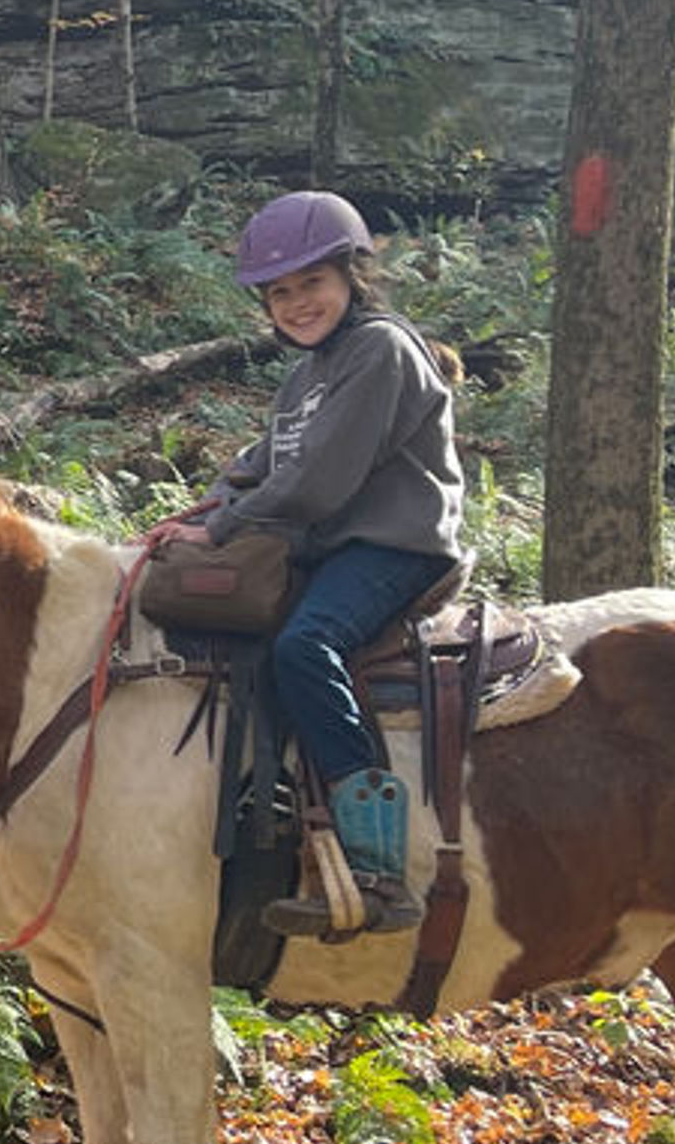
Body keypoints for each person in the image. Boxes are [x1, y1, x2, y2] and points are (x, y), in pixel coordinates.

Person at [147, 188, 465, 936]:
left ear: (352, 275)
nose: (296, 304)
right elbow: (259, 466)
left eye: (311, 284)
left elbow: (319, 481)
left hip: (394, 547)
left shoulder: (380, 351)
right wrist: (197, 516)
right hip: (330, 546)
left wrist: (223, 530)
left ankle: (375, 866)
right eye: (280, 293)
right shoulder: (305, 378)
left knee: (305, 644)